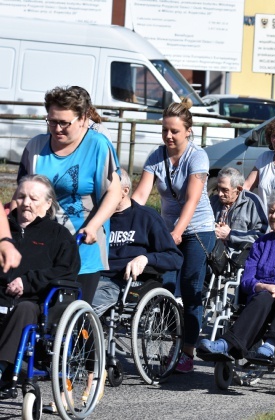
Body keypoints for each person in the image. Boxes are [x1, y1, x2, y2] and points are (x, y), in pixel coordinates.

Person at [17, 86, 121, 305]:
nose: (57, 128)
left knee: (69, 316)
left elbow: (114, 191)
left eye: (64, 123)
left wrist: (94, 226)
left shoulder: (98, 146)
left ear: (83, 118)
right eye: (52, 121)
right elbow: (21, 194)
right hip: (40, 245)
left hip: (82, 244)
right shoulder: (35, 147)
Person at [132, 98, 214, 374]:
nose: (168, 135)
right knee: (163, 285)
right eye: (165, 130)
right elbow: (141, 195)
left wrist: (178, 232)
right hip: (169, 232)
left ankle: (187, 351)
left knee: (191, 289)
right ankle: (174, 335)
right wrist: (124, 218)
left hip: (197, 230)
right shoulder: (157, 156)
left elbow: (192, 200)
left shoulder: (197, 156)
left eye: (174, 131)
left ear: (188, 131)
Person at [196, 190, 275, 362]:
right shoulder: (261, 243)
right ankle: (227, 345)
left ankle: (271, 345)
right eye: (271, 211)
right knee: (263, 297)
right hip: (263, 293)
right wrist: (262, 286)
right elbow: (247, 278)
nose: (274, 216)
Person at [0, 175, 80, 380]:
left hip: (34, 302)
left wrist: (27, 282)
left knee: (24, 309)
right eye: (21, 196)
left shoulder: (59, 235)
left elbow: (66, 271)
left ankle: (2, 368)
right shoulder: (4, 231)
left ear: (48, 204)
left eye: (33, 199)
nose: (26, 203)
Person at [91, 169, 183, 317]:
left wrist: (146, 258)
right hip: (94, 277)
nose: (102, 197)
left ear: (124, 191)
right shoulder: (97, 218)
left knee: (87, 303)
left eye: (107, 192)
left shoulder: (146, 218)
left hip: (124, 283)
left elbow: (174, 258)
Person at [211, 167, 268, 251]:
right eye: (218, 188)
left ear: (239, 189)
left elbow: (261, 234)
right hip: (215, 256)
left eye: (225, 190)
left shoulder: (252, 202)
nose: (220, 194)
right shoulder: (213, 201)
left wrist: (230, 235)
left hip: (241, 257)